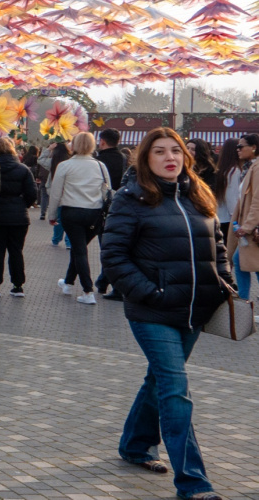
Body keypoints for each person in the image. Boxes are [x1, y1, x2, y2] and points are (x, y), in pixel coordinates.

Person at [102, 127, 231, 500]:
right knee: (176, 389)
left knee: (159, 381)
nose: (169, 157)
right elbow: (113, 256)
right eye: (159, 151)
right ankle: (193, 483)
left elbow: (217, 245)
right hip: (153, 312)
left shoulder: (198, 194)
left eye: (175, 150)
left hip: (195, 310)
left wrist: (224, 284)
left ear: (186, 157)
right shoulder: (130, 199)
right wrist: (150, 293)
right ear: (146, 158)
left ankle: (135, 445)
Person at [47, 132, 109, 305]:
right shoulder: (100, 166)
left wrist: (52, 214)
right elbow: (106, 191)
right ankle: (68, 282)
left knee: (80, 250)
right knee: (78, 248)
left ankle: (88, 290)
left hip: (72, 212)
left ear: (73, 145)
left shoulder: (65, 166)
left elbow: (55, 193)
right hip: (94, 213)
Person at [0, 137, 36, 297]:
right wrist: (23, 205)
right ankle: (18, 285)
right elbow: (32, 193)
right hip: (19, 217)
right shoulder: (23, 169)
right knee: (16, 251)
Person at [94, 128, 127, 299]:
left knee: (107, 247)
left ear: (102, 142)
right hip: (121, 205)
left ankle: (112, 284)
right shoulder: (123, 158)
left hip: (104, 207)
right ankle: (103, 280)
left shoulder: (99, 161)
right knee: (114, 247)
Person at [228, 133, 259, 299]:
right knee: (246, 261)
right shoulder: (250, 167)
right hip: (250, 225)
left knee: (241, 261)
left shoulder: (256, 168)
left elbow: (257, 200)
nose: (237, 149)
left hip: (253, 227)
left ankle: (244, 299)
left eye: (241, 146)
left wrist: (247, 226)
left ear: (253, 147)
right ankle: (244, 299)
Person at [214, 138, 242, 240]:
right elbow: (231, 197)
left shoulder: (222, 169)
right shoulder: (234, 171)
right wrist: (236, 218)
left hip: (220, 215)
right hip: (229, 218)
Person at [45, 142, 72, 248]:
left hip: (56, 191)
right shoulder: (70, 161)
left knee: (59, 217)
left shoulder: (53, 162)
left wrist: (48, 149)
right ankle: (69, 242)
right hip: (69, 193)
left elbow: (41, 160)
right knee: (69, 220)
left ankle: (56, 239)